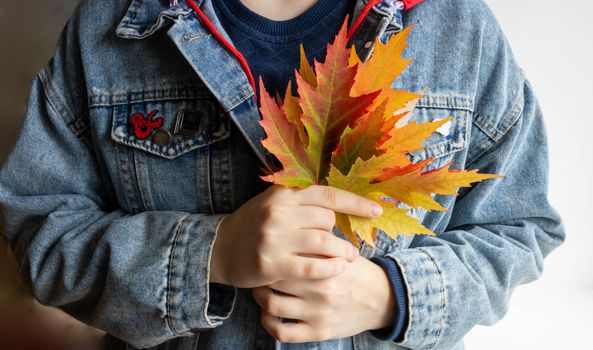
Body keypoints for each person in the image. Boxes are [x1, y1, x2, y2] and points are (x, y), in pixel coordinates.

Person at [0, 0, 565, 349]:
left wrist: (392, 296)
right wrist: (210, 254)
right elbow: (40, 233)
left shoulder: (460, 27)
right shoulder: (109, 26)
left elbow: (521, 229)